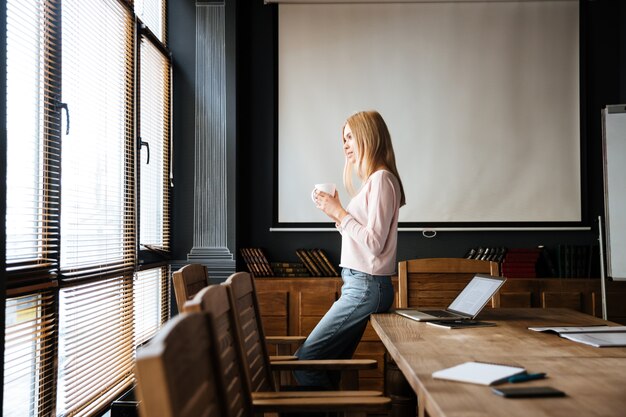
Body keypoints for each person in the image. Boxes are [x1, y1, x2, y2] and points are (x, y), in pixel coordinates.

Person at [294, 110, 406, 389]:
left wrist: (340, 212)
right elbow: (365, 237)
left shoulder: (381, 180)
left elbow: (374, 243)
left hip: (366, 286)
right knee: (328, 365)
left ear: (368, 136)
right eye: (342, 139)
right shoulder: (377, 181)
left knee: (306, 362)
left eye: (349, 137)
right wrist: (335, 213)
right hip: (362, 285)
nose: (344, 145)